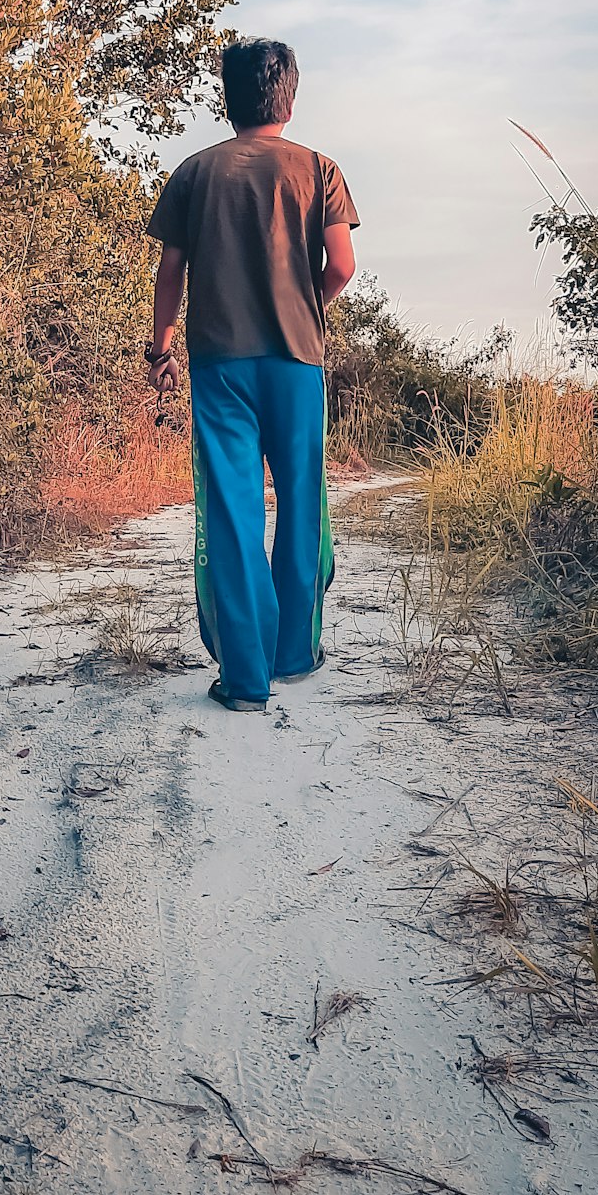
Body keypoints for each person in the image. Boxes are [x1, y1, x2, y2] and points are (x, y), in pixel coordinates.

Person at [145, 37, 358, 712]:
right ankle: (294, 652)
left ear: (227, 97)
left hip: (219, 364)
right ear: (289, 97)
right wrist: (306, 305)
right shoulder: (319, 169)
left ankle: (244, 679)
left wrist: (161, 348)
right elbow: (344, 265)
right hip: (297, 361)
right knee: (301, 501)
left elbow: (171, 272)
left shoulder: (194, 171)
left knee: (233, 508)